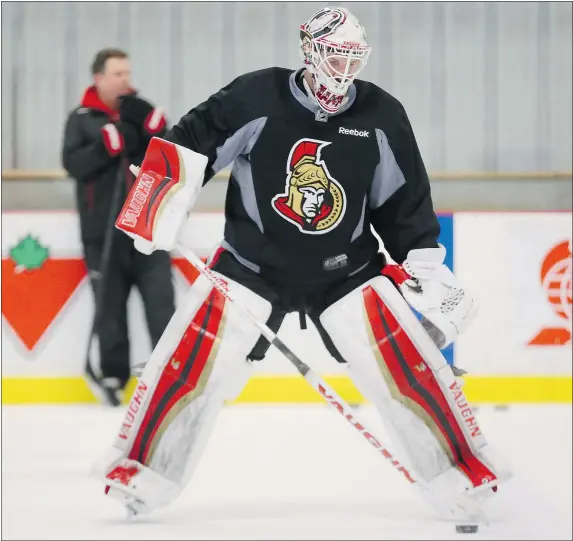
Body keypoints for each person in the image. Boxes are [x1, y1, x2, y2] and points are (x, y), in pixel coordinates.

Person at [94, 7, 507, 522]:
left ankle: (467, 473)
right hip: (249, 267)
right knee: (188, 360)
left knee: (410, 365)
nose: (344, 68)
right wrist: (154, 199)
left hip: (349, 273)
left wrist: (422, 265)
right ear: (309, 51)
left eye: (353, 58)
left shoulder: (382, 114)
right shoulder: (257, 96)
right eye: (335, 55)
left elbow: (403, 203)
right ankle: (137, 471)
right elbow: (192, 140)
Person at [62, 48, 176, 406]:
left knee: (162, 305)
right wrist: (103, 148)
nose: (125, 79)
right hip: (102, 235)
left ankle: (167, 376)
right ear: (99, 78)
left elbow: (169, 159)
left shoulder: (141, 111)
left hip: (147, 229)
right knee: (109, 308)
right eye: (117, 74)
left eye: (127, 73)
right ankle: (113, 376)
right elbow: (73, 164)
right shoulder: (81, 119)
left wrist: (163, 133)